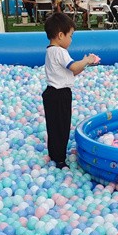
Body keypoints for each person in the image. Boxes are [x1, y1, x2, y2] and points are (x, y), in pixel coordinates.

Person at [42, 13, 100, 169]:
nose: (71, 40)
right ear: (61, 35)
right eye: (71, 36)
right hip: (60, 94)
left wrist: (85, 65)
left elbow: (70, 73)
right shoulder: (60, 52)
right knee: (62, 127)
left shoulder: (50, 51)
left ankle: (54, 154)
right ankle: (60, 160)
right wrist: (86, 60)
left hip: (51, 93)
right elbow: (74, 67)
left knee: (53, 126)